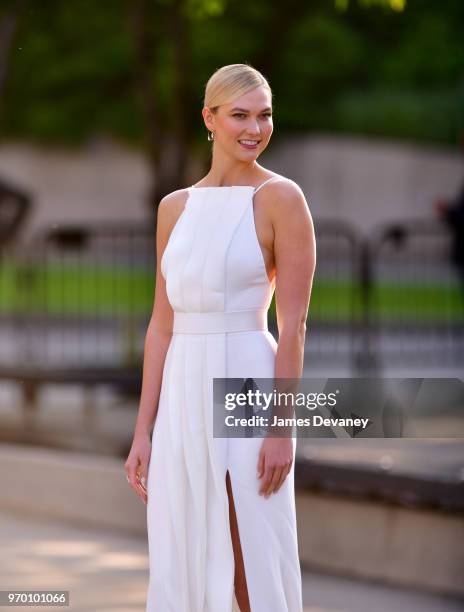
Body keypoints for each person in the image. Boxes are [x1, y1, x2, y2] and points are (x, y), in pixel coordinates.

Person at [125, 63, 316, 612]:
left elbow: (294, 324)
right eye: (240, 115)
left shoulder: (283, 199)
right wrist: (143, 432)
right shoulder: (174, 208)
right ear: (209, 118)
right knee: (185, 545)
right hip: (183, 392)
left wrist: (282, 430)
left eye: (264, 115)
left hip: (248, 387)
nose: (255, 128)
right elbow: (162, 324)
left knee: (248, 547)